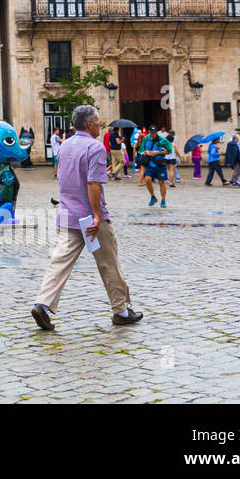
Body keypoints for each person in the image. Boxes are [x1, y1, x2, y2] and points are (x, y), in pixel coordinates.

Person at [31, 104, 142, 331]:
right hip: (90, 219)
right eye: (98, 120)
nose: (100, 124)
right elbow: (93, 183)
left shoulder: (64, 146)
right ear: (90, 123)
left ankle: (42, 304)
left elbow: (67, 179)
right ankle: (121, 311)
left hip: (67, 214)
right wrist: (97, 214)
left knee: (60, 261)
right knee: (109, 263)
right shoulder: (95, 148)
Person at [142, 129, 173, 207]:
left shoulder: (163, 141)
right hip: (150, 163)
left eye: (154, 133)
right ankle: (153, 197)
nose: (153, 134)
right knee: (147, 180)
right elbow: (143, 149)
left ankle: (163, 200)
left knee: (161, 182)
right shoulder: (147, 140)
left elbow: (169, 151)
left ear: (156, 133)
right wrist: (147, 152)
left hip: (160, 164)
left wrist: (158, 152)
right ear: (149, 132)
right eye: (151, 133)